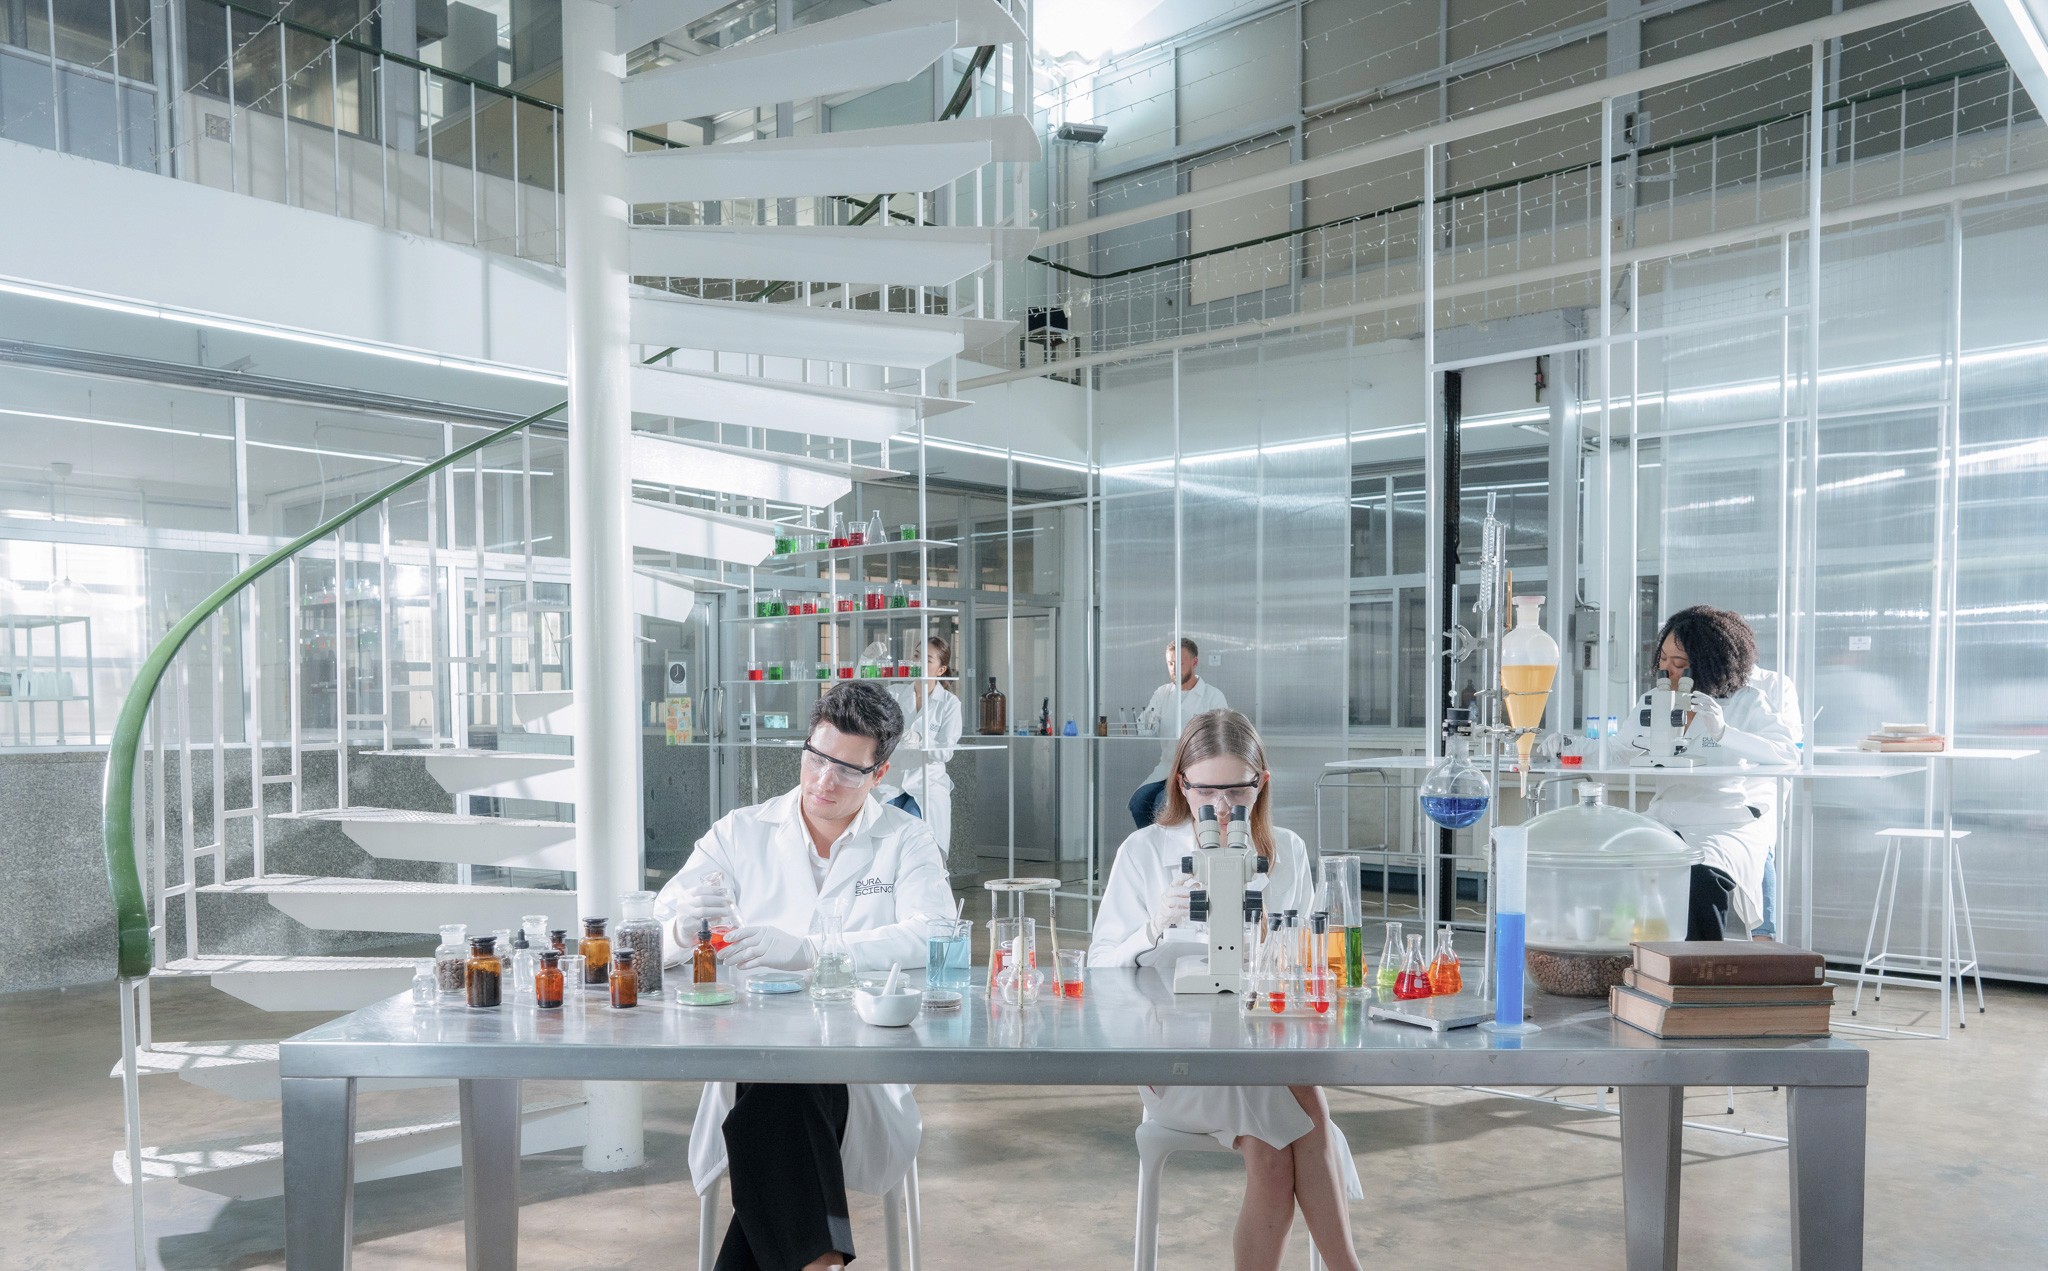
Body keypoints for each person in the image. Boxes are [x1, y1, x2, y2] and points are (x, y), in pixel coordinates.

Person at [654, 681, 954, 1271]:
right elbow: (651, 933)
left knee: (782, 1090)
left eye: (846, 769)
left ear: (880, 773)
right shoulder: (740, 833)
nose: (823, 780)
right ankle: (821, 1263)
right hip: (748, 1064)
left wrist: (816, 952)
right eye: (816, 758)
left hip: (862, 1073)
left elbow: (934, 934)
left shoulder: (905, 839)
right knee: (778, 1079)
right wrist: (680, 932)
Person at [1090, 710, 1364, 1271]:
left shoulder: (1286, 850)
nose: (1219, 806)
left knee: (1275, 1139)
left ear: (1260, 783)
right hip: (1174, 1059)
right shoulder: (1142, 853)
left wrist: (1271, 943)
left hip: (1260, 1045)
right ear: (1180, 785)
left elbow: (1304, 964)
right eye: (1204, 790)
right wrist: (1151, 929)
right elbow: (1099, 969)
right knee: (1303, 1109)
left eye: (1235, 790)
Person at [1623, 606, 1800, 941]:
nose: (1667, 670)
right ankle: (1644, 967)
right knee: (1625, 867)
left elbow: (1787, 755)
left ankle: (1700, 971)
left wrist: (1724, 732)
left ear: (1708, 662)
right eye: (1663, 659)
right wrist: (1573, 749)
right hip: (1669, 816)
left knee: (1699, 878)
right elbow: (1620, 748)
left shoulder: (1749, 701)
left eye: (1679, 662)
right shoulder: (1654, 700)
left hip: (1725, 820)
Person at [1129, 637, 1229, 829]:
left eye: (1180, 663)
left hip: (1197, 770)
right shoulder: (1163, 693)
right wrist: (1143, 723)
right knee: (1139, 804)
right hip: (1166, 768)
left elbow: (1222, 738)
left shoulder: (1213, 696)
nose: (1174, 668)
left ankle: (1171, 853)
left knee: (1161, 806)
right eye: (1170, 663)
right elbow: (1144, 728)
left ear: (1195, 662)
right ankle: (1153, 851)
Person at [875, 635, 962, 855]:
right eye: (916, 656)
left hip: (927, 784)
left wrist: (919, 740)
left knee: (916, 840)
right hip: (891, 782)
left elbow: (946, 751)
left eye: (927, 659)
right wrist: (865, 664)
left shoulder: (950, 704)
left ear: (941, 670)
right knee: (880, 839)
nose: (918, 663)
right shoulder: (894, 693)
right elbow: (861, 703)